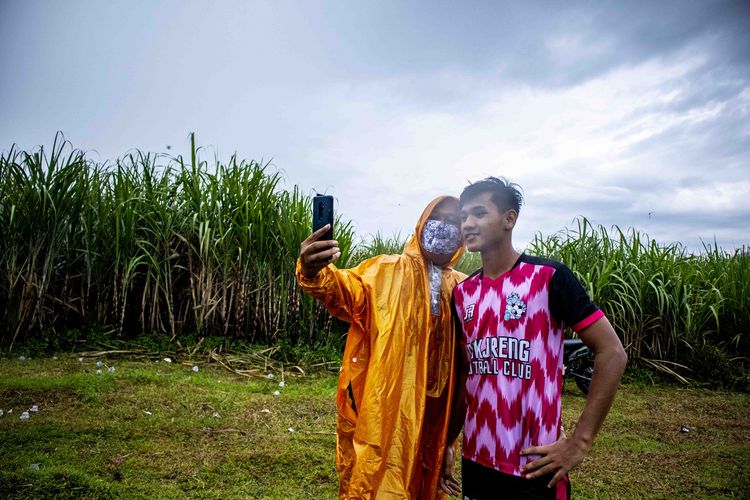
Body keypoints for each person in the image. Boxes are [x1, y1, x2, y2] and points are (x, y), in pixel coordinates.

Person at [439, 178, 627, 499]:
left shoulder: (549, 278)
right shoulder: (462, 293)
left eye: (480, 213)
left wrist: (579, 442)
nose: (468, 224)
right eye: (464, 216)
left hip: (535, 465)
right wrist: (448, 442)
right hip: (477, 459)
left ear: (509, 219)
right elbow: (465, 376)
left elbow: (612, 352)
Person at [297, 196, 466, 499]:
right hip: (383, 415)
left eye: (455, 221)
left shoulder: (467, 290)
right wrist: (313, 270)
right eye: (438, 217)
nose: (445, 227)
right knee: (376, 484)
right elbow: (340, 290)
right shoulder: (382, 273)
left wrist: (451, 439)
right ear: (422, 223)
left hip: (435, 422)